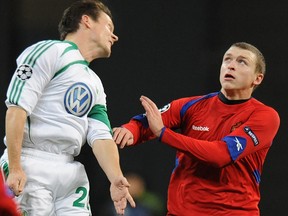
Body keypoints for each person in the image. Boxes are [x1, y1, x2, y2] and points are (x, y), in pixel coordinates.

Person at [0, 0, 135, 215]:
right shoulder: (49, 51)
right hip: (32, 163)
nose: (114, 36)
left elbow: (101, 135)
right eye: (109, 26)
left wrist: (116, 177)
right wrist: (15, 166)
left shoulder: (94, 82)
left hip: (70, 172)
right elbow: (17, 108)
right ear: (86, 20)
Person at [113, 42, 280, 215]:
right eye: (227, 59)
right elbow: (147, 123)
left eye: (242, 62)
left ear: (257, 78)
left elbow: (221, 155)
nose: (231, 65)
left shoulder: (265, 116)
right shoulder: (191, 106)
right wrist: (129, 130)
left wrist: (164, 134)